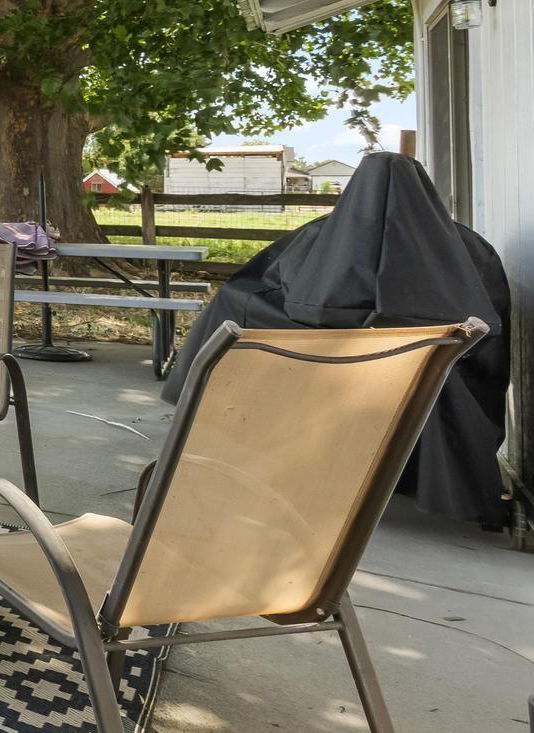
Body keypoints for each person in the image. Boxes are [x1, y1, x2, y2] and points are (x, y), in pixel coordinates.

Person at [163, 152, 511, 529]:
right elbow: (490, 324)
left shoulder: (322, 234)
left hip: (321, 362)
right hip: (424, 373)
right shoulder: (468, 246)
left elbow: (260, 289)